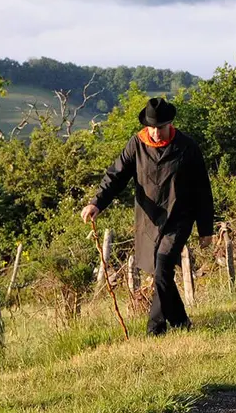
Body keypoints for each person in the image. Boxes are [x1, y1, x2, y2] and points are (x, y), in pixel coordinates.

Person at [80, 98, 215, 336]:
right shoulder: (137, 144)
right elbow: (115, 176)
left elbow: (202, 189)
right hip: (149, 220)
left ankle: (155, 328)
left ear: (170, 123)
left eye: (160, 127)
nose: (155, 132)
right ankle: (181, 322)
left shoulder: (187, 147)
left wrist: (205, 229)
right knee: (159, 272)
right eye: (151, 127)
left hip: (179, 218)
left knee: (162, 266)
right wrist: (96, 203)